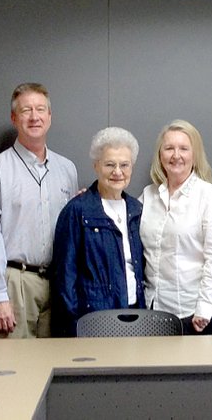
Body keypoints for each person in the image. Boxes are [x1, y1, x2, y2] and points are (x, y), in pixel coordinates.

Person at [0, 83, 78, 338]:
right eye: (26, 110)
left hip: (56, 284)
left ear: (50, 116)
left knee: (50, 367)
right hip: (13, 282)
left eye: (40, 109)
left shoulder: (67, 170)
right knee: (11, 367)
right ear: (14, 118)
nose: (34, 116)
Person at [51, 127, 145, 337]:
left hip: (134, 315)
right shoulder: (78, 210)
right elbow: (64, 277)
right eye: (109, 164)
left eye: (124, 165)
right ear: (96, 166)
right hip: (94, 320)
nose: (117, 172)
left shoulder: (137, 210)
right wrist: (76, 322)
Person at [140, 120, 212, 335]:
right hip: (154, 310)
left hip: (195, 313)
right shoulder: (147, 197)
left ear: (194, 154)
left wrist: (205, 308)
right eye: (169, 148)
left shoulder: (210, 196)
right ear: (160, 154)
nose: (175, 155)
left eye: (183, 149)